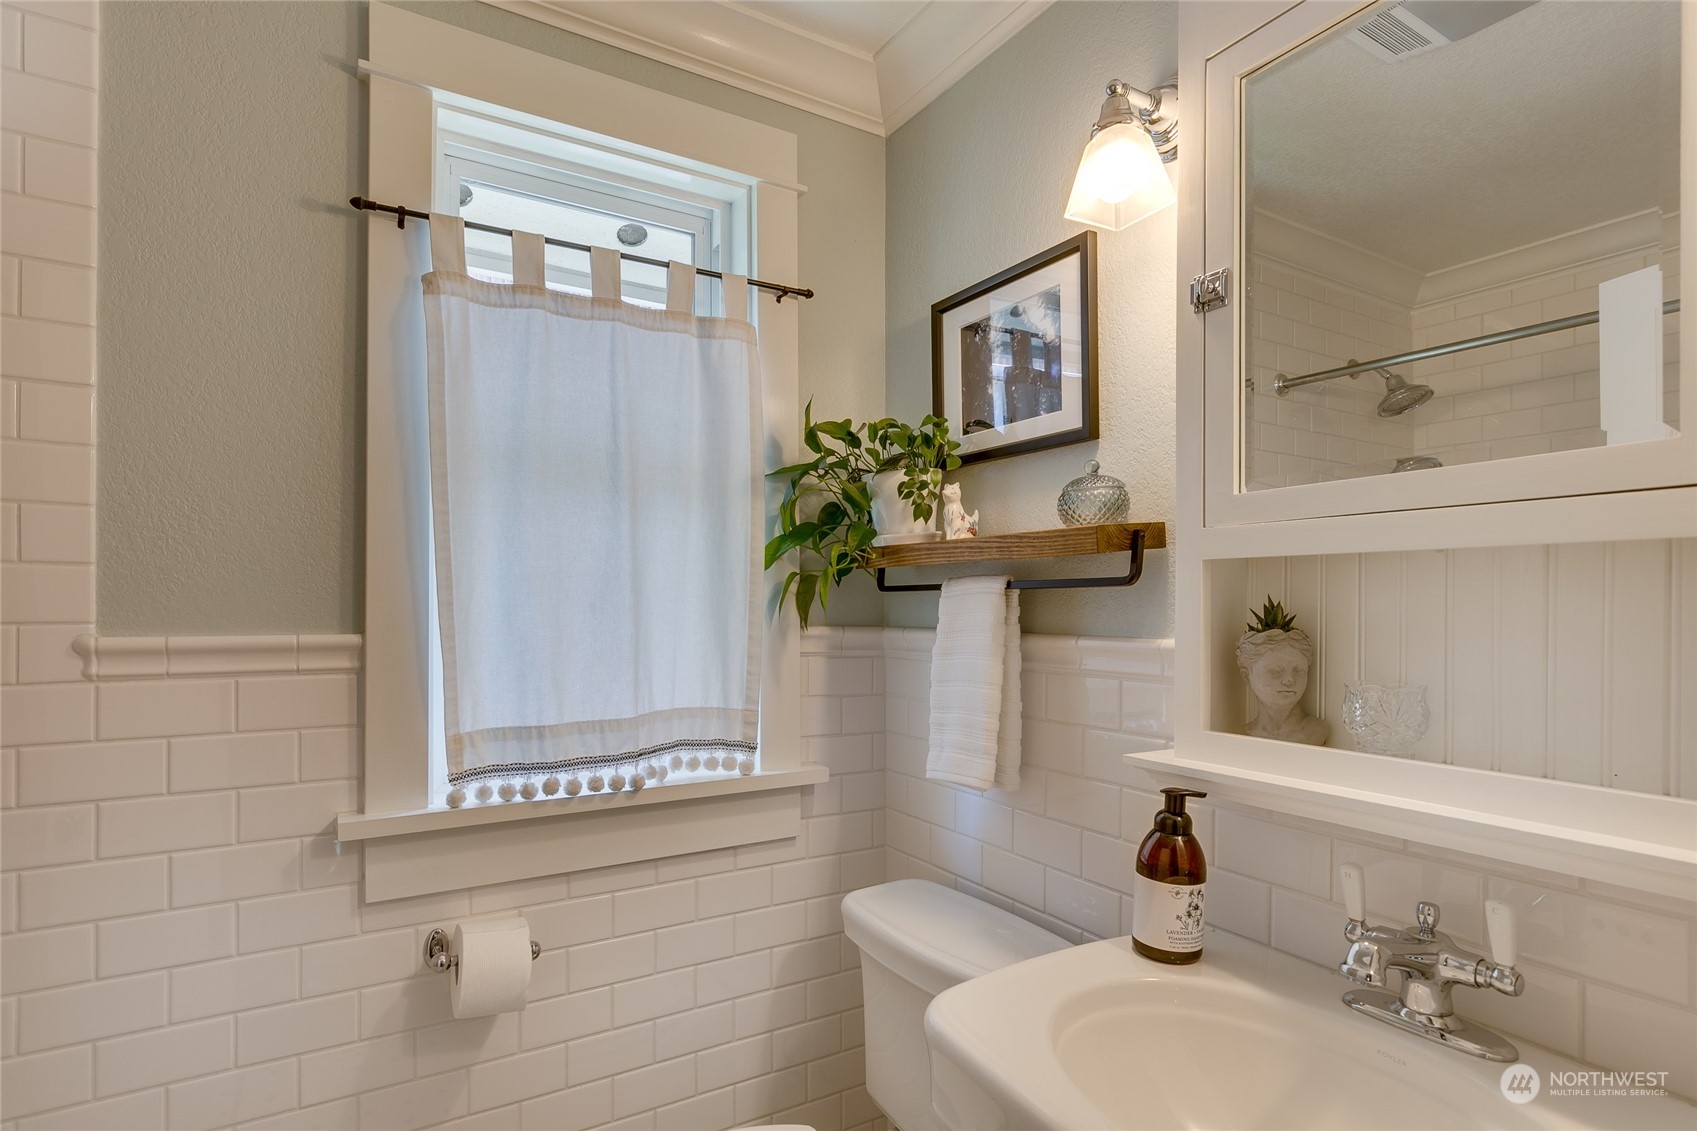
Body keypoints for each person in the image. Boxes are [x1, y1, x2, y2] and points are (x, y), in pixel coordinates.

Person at [1237, 630, 1330, 745]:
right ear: (1247, 677)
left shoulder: (1317, 730)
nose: (1289, 680)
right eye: (1274, 671)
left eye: (1298, 670)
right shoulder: (1240, 735)